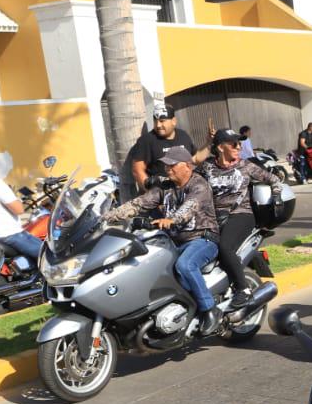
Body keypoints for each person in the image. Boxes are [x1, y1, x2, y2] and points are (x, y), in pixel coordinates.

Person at [105, 146, 222, 333]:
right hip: (174, 242)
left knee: (185, 265)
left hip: (202, 239)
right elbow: (139, 204)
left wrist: (171, 220)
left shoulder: (198, 185)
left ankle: (210, 309)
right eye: (166, 166)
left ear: (187, 166)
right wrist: (107, 217)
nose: (168, 169)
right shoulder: (165, 187)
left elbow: (189, 208)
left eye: (172, 165)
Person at [197, 128, 280, 310]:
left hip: (241, 214)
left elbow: (274, 179)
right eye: (234, 143)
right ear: (220, 147)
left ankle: (244, 290)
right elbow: (189, 181)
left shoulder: (246, 166)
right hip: (214, 216)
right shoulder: (207, 167)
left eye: (239, 143)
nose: (239, 146)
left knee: (224, 247)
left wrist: (276, 195)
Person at [129, 103, 208, 190]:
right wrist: (151, 193)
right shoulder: (146, 140)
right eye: (155, 121)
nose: (158, 125)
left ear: (173, 121)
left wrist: (209, 143)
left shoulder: (183, 135)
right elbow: (137, 170)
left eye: (162, 121)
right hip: (162, 192)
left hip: (186, 190)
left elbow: (195, 159)